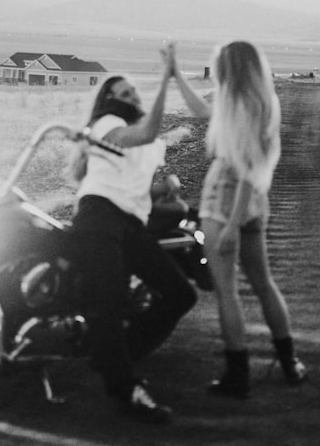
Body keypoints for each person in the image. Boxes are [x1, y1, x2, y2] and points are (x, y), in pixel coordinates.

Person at [167, 40, 306, 398]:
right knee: (264, 285)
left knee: (228, 293)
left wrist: (230, 224)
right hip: (256, 202)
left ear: (230, 68)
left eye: (219, 66)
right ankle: (289, 361)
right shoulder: (263, 101)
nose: (216, 72)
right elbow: (201, 111)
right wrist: (175, 72)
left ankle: (237, 375)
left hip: (225, 203)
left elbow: (243, 166)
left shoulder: (240, 104)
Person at [68, 58, 197, 423]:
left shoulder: (149, 140)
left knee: (180, 293)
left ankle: (112, 357)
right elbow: (141, 136)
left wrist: (164, 188)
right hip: (100, 216)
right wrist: (167, 77)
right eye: (123, 93)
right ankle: (125, 387)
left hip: (131, 222)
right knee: (110, 299)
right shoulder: (107, 124)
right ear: (108, 99)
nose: (131, 96)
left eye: (133, 91)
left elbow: (138, 185)